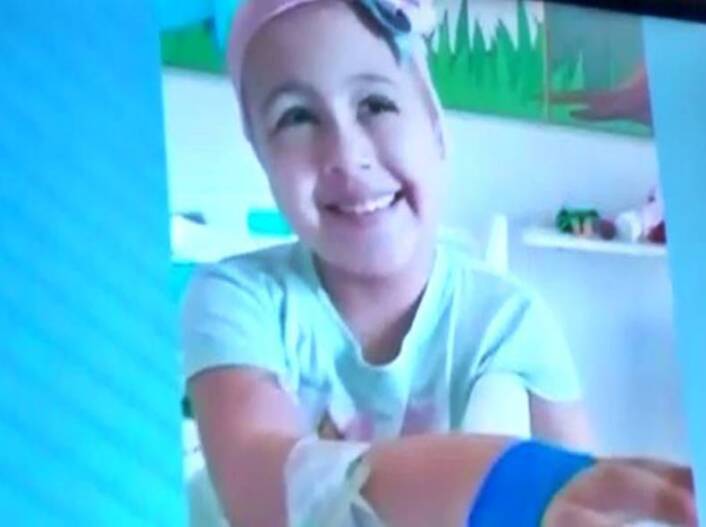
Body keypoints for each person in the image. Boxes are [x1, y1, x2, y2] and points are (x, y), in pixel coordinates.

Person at [181, 0, 697, 525]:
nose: (346, 155)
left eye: (376, 104)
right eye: (296, 117)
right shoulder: (235, 300)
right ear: (261, 155)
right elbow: (264, 483)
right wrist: (507, 487)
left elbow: (585, 498)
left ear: (434, 124)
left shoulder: (512, 324)